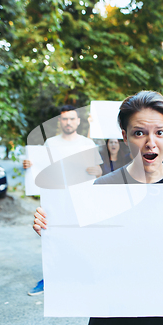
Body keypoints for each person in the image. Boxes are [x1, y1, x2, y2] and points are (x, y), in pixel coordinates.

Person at [32, 91, 163, 325]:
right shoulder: (103, 188)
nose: (150, 142)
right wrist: (52, 229)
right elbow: (83, 248)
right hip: (113, 315)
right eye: (139, 133)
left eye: (160, 132)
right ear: (125, 136)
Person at [23, 104, 103, 296]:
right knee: (53, 236)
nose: (68, 122)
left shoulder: (87, 143)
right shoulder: (50, 143)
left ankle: (83, 276)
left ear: (78, 121)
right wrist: (29, 165)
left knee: (82, 236)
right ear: (60, 121)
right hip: (56, 199)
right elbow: (39, 167)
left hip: (81, 199)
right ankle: (49, 279)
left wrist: (95, 171)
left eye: (72, 118)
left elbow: (99, 171)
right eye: (64, 119)